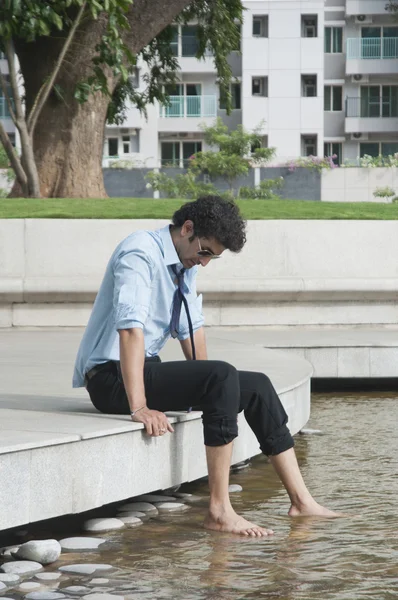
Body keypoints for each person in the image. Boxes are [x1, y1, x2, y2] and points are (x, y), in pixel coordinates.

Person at [73, 195, 338, 537]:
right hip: (111, 379)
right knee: (221, 375)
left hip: (143, 368)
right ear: (187, 230)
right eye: (206, 252)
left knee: (255, 386)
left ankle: (302, 502)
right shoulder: (140, 252)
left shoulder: (186, 263)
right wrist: (138, 406)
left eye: (213, 256)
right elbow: (129, 328)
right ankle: (219, 510)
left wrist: (211, 388)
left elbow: (191, 330)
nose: (206, 262)